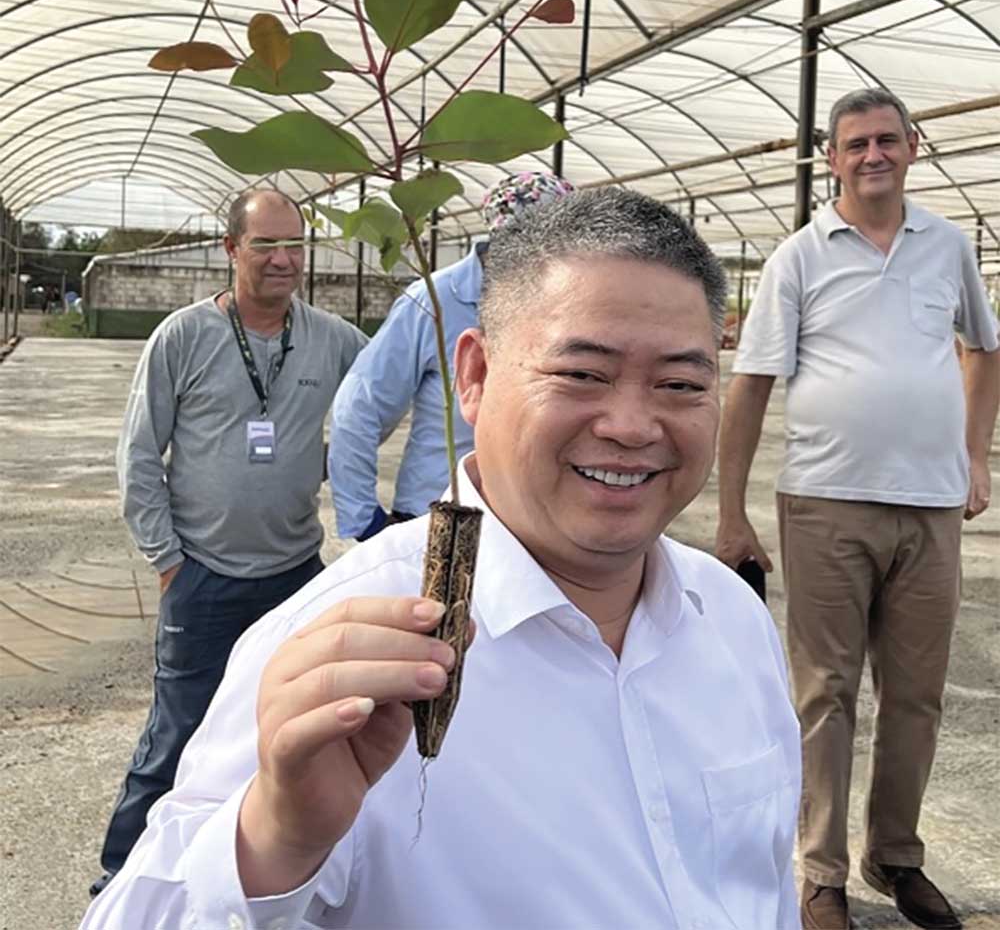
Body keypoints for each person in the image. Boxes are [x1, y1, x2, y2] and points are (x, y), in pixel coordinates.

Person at [82, 188, 801, 930]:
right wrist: (275, 837)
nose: (629, 425)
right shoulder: (351, 659)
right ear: (476, 376)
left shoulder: (733, 623)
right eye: (582, 374)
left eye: (681, 384)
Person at [715, 88, 1000, 930]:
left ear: (914, 146)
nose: (873, 154)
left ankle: (897, 856)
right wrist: (730, 513)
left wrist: (974, 458)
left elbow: (984, 349)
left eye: (886, 139)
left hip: (931, 507)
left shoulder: (946, 246)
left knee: (916, 693)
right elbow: (752, 385)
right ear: (831, 160)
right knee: (825, 692)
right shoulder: (800, 257)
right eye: (854, 144)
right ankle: (822, 872)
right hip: (825, 501)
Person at [89, 187, 368, 897]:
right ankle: (123, 879)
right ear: (230, 249)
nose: (284, 259)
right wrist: (168, 559)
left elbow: (388, 389)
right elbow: (140, 454)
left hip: (297, 573)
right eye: (266, 244)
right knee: (176, 732)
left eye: (296, 245)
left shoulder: (332, 339)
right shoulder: (183, 336)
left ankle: (254, 871)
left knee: (284, 733)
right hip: (204, 574)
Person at [329, 170, 574, 541]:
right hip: (440, 519)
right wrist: (365, 521)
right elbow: (360, 405)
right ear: (499, 235)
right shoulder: (436, 300)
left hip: (533, 526)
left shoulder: (562, 305)